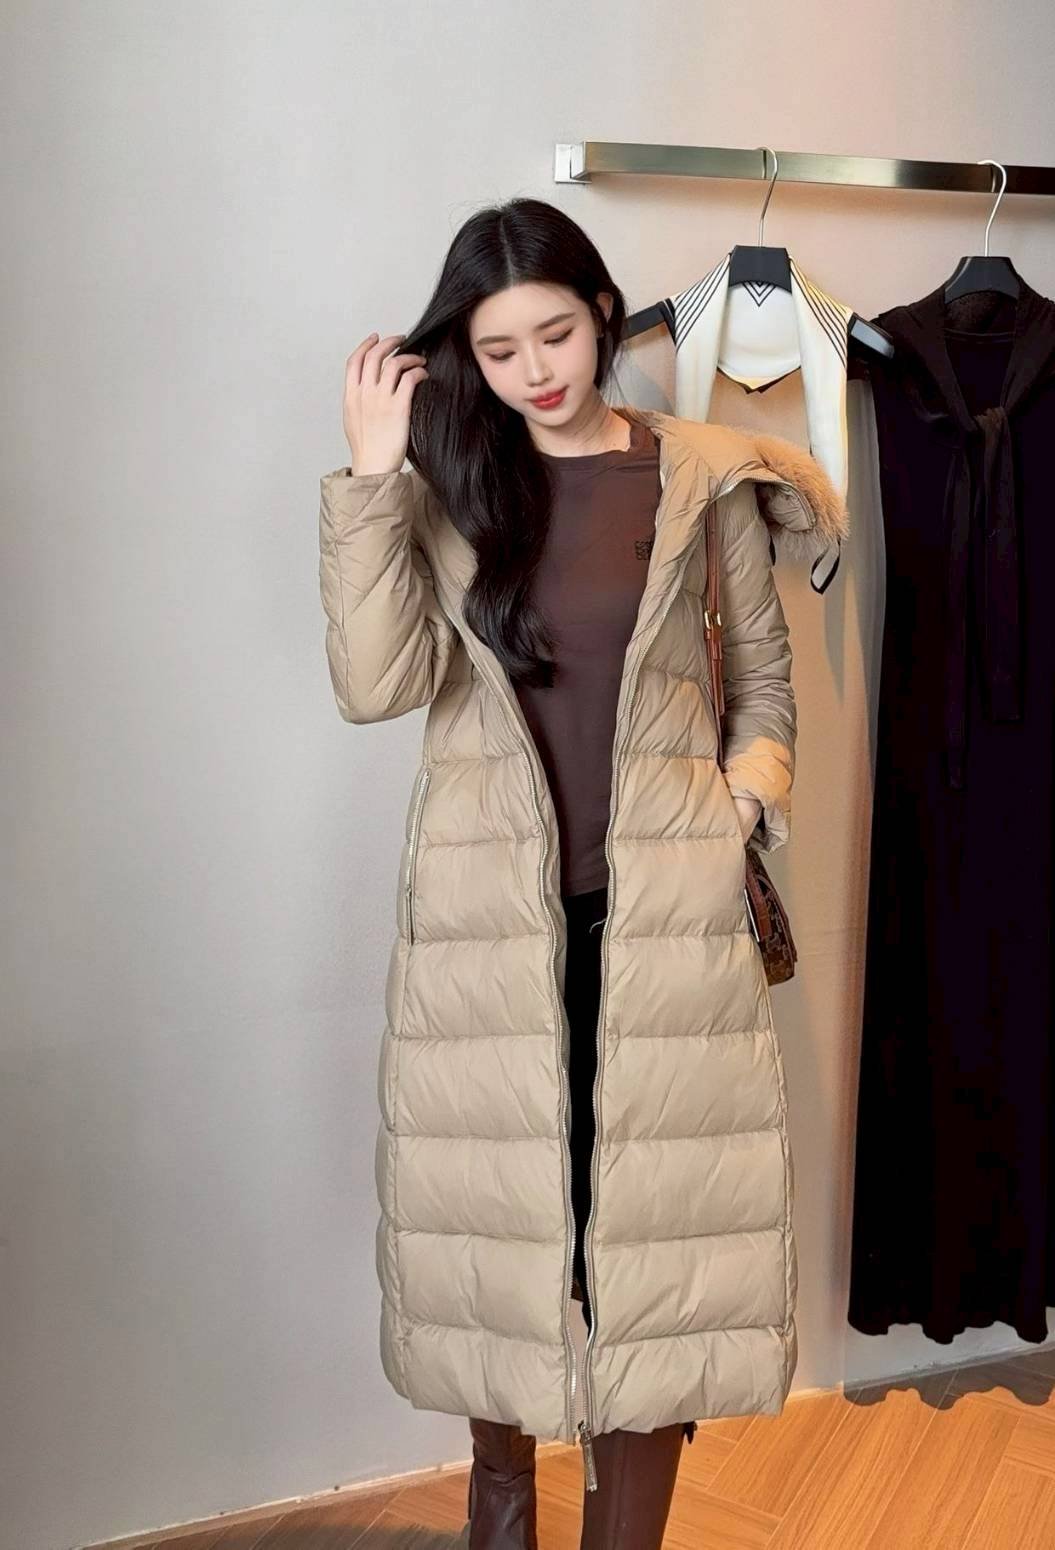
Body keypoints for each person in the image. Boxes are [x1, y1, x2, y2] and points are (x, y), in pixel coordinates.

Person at [319, 198, 846, 1550]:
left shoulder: (697, 478)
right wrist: (373, 475)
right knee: (504, 1235)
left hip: (663, 922)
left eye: (554, 333)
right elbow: (375, 684)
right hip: (487, 929)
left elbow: (764, 684)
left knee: (652, 1257)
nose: (535, 371)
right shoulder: (447, 486)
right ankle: (502, 1511)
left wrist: (741, 805)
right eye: (498, 351)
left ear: (602, 313)